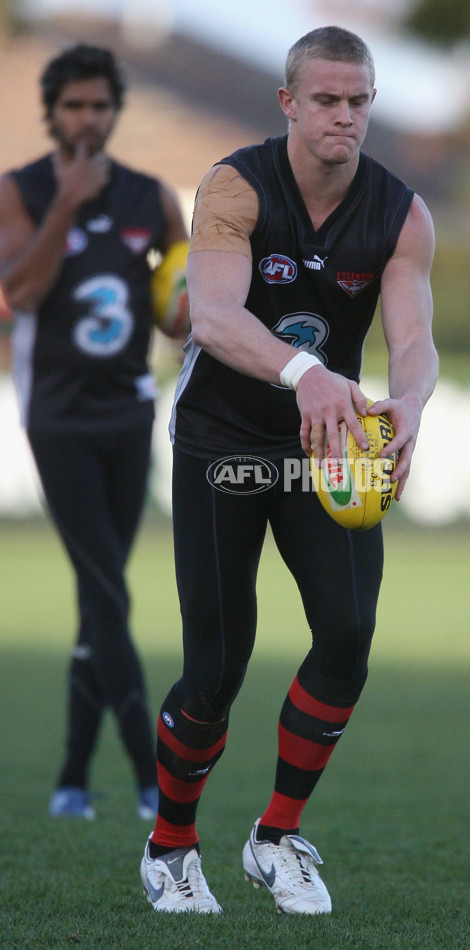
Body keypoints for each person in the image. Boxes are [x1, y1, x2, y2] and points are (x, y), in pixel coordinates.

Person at [140, 25, 438, 915]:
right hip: (223, 440)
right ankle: (170, 848)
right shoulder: (236, 184)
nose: (344, 117)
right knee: (216, 669)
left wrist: (413, 402)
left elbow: (414, 340)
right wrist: (309, 373)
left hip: (328, 447)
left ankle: (275, 839)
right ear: (289, 103)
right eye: (326, 100)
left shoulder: (401, 212)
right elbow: (215, 318)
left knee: (348, 638)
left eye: (359, 101)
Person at [0, 44, 189, 820]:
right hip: (58, 416)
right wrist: (69, 204)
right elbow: (19, 290)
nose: (88, 119)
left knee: (97, 597)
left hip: (129, 409)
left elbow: (177, 310)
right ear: (51, 112)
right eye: (74, 106)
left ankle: (73, 781)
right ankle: (153, 778)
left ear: (115, 111)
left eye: (99, 105)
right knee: (109, 591)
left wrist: (187, 312)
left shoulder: (150, 196)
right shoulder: (23, 190)